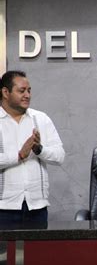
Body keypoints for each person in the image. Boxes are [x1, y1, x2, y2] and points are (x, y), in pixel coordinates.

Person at [0, 70, 65, 224]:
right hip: (3, 208)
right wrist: (20, 155)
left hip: (37, 207)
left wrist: (39, 150)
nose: (27, 95)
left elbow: (59, 156)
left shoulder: (41, 119)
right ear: (5, 92)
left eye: (29, 91)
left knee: (38, 250)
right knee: (3, 250)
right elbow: (19, 155)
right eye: (21, 91)